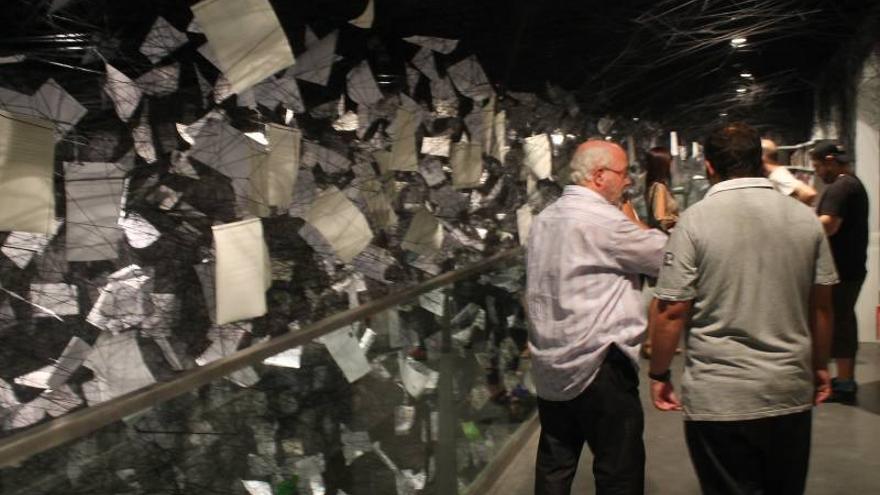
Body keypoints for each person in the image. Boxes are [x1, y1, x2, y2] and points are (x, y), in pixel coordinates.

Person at [648, 122, 837, 494]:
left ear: (709, 166)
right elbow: (822, 307)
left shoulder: (693, 222)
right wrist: (818, 366)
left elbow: (672, 311)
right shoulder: (805, 220)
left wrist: (658, 374)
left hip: (720, 397)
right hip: (788, 390)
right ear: (760, 163)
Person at [526, 140, 666, 495]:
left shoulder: (544, 218)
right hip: (601, 360)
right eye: (623, 174)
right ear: (599, 176)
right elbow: (668, 258)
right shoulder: (607, 221)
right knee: (618, 470)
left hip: (551, 360)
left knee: (555, 466)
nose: (628, 183)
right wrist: (634, 220)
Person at [811, 141, 869, 404]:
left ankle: (844, 383)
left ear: (830, 161)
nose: (817, 172)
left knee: (840, 323)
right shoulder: (853, 183)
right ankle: (844, 378)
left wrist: (798, 228)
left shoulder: (841, 186)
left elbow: (829, 225)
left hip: (841, 268)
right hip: (852, 266)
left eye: (818, 165)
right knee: (845, 320)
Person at [762, 138, 817, 205]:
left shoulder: (778, 175)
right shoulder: (776, 174)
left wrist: (792, 213)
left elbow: (808, 193)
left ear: (763, 157)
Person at [643, 146, 680, 232]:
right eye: (669, 162)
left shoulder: (652, 186)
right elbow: (660, 218)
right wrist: (677, 219)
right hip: (665, 236)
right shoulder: (659, 188)